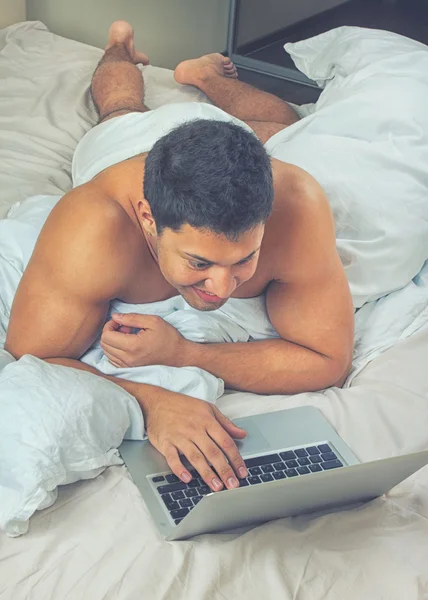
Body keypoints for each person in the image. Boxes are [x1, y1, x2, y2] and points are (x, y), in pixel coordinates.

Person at [5, 21, 354, 494]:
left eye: (244, 259)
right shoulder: (94, 225)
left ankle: (209, 79)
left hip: (225, 143)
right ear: (148, 221)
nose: (222, 288)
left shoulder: (296, 202)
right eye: (199, 263)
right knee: (122, 108)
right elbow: (33, 353)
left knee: (287, 127)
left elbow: (328, 361)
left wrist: (184, 354)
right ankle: (120, 45)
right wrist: (153, 402)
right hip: (125, 147)